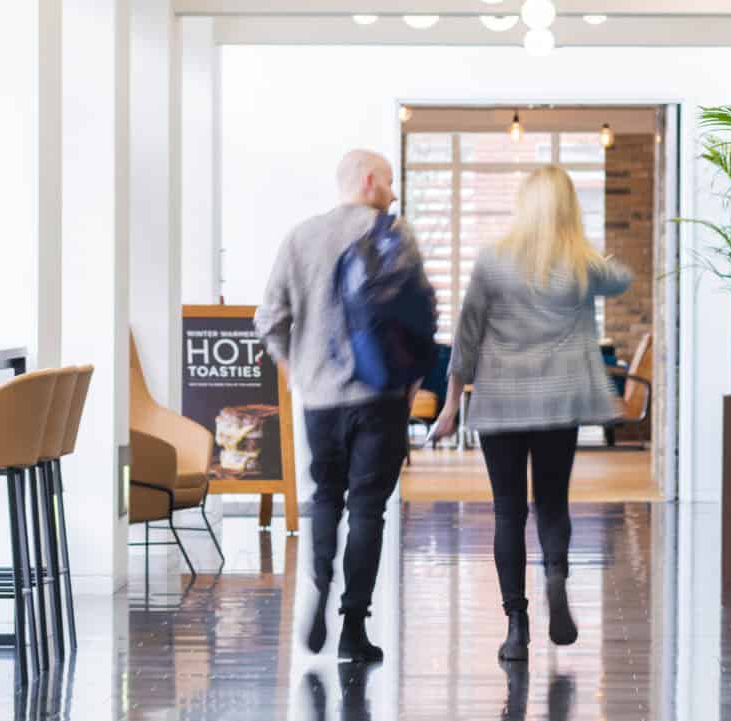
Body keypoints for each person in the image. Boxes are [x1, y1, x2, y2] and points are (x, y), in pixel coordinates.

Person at [429, 163, 632, 663]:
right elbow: (622, 280)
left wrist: (451, 404)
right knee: (553, 503)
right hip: (559, 403)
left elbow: (467, 335)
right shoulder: (582, 264)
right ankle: (556, 577)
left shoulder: (493, 260)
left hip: (500, 401)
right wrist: (591, 253)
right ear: (568, 208)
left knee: (507, 510)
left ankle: (516, 627)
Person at [256, 149, 435, 666]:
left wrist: (299, 371)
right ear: (370, 180)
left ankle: (317, 593)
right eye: (391, 183)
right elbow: (421, 319)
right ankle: (354, 627)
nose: (393, 195)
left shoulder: (300, 238)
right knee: (368, 509)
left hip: (321, 400)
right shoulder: (395, 236)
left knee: (325, 498)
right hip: (380, 398)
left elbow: (269, 319)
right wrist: (410, 383)